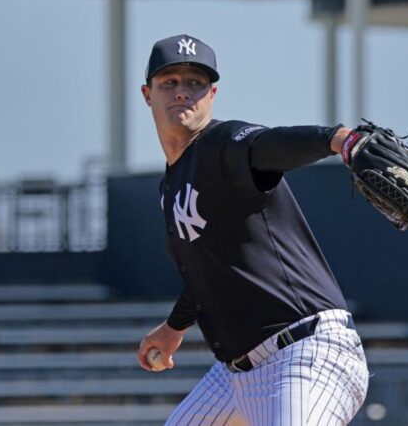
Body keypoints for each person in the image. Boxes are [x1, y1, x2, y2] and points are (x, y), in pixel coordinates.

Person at [137, 34, 368, 426]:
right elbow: (208, 270)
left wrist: (337, 139)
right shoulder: (171, 185)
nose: (182, 92)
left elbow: (268, 145)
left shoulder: (221, 144)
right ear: (148, 94)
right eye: (169, 82)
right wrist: (174, 328)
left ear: (212, 94)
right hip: (233, 378)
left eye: (195, 83)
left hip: (305, 353)